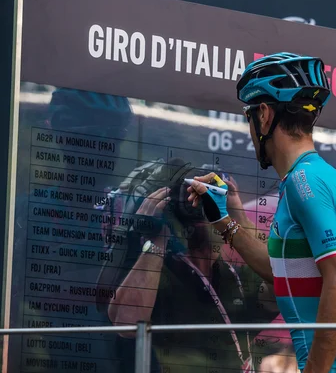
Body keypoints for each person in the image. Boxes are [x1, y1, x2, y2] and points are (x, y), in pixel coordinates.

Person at [186, 52, 336, 372]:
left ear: (263, 115)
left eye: (248, 118)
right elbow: (284, 275)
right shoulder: (319, 176)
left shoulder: (304, 182)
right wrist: (226, 221)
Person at [100, 160, 285, 373]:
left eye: (210, 217)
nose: (206, 226)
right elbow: (127, 323)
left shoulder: (236, 280)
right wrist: (157, 238)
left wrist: (236, 216)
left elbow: (281, 277)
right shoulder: (159, 276)